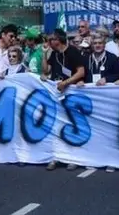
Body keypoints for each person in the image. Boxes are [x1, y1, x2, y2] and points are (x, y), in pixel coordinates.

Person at [44, 28, 87, 171]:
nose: (49, 42)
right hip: (57, 93)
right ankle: (56, 156)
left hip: (71, 93)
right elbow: (46, 71)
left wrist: (66, 83)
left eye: (51, 40)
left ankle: (73, 157)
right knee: (57, 125)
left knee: (72, 125)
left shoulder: (73, 51)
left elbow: (81, 72)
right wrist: (44, 55)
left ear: (58, 40)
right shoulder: (54, 54)